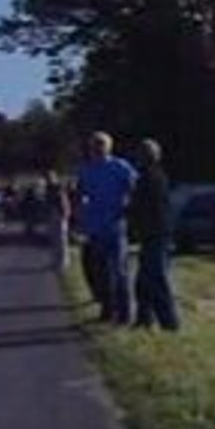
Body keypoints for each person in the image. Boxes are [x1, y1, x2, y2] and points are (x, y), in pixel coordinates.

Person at [77, 132, 137, 324]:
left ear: (109, 147)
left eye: (102, 144)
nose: (98, 148)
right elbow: (80, 195)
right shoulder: (86, 170)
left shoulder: (120, 167)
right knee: (100, 272)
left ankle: (125, 312)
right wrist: (80, 219)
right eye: (95, 145)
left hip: (115, 226)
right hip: (95, 227)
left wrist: (128, 207)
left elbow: (135, 188)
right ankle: (107, 310)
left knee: (119, 271)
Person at [130, 139, 179, 331]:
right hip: (151, 234)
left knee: (157, 279)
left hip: (157, 234)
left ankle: (169, 322)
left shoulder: (153, 178)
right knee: (143, 281)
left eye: (141, 154)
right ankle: (144, 318)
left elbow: (153, 209)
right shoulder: (147, 177)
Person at [44, 172, 71, 272]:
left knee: (61, 240)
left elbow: (64, 202)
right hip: (52, 214)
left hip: (59, 214)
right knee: (54, 240)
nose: (49, 180)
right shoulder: (49, 189)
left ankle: (63, 263)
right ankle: (56, 261)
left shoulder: (58, 188)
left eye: (50, 178)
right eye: (47, 178)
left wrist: (65, 214)